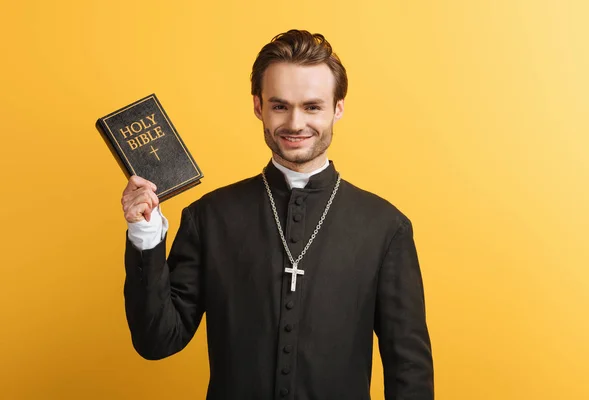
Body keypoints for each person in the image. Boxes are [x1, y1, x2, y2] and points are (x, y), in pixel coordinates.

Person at [121, 29, 434, 399]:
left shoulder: (385, 227)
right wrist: (146, 234)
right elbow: (158, 340)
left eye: (312, 106)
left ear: (338, 108)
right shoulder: (209, 217)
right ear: (259, 106)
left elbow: (408, 370)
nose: (296, 123)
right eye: (280, 105)